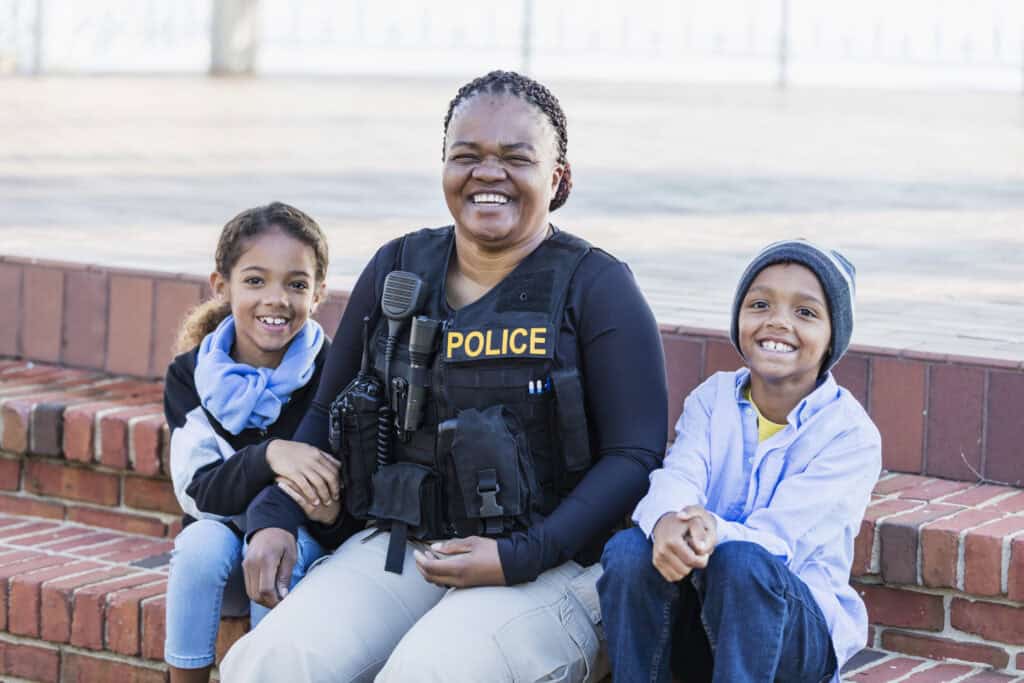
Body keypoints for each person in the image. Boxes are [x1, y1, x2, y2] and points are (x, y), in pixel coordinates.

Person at [219, 70, 668, 682]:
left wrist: (520, 555)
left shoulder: (597, 285)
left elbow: (634, 455)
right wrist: (275, 515)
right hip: (407, 544)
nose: (488, 174)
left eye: (516, 157)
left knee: (429, 673)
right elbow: (327, 414)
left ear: (557, 178)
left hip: (550, 562)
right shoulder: (398, 268)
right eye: (468, 156)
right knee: (273, 661)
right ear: (444, 167)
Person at [598, 240, 882, 683]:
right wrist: (667, 522)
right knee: (631, 550)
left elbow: (781, 542)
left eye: (805, 313)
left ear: (832, 338)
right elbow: (678, 476)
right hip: (707, 620)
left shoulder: (849, 435)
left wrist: (709, 530)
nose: (778, 321)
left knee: (744, 563)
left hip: (793, 640)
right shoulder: (713, 399)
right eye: (760, 304)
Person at [163, 202, 342, 683]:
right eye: (256, 280)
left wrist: (271, 507)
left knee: (276, 550)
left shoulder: (333, 373)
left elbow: (324, 490)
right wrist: (270, 455)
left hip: (305, 538)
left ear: (319, 293)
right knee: (197, 544)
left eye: (297, 284)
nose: (276, 300)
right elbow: (199, 491)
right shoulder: (190, 375)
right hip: (218, 531)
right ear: (222, 286)